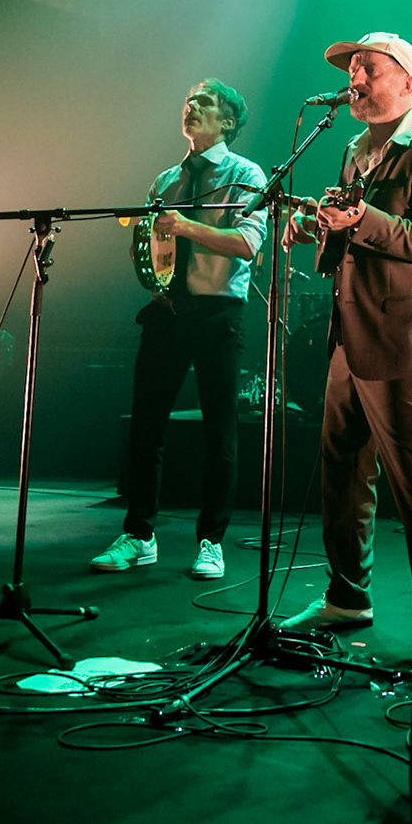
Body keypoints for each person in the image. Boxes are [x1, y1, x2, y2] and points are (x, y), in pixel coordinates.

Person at [280, 32, 412, 666]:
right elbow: (343, 247)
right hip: (348, 337)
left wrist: (361, 221)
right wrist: (315, 227)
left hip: (400, 343)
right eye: (351, 68)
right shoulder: (353, 151)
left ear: (407, 81)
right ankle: (347, 595)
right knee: (341, 472)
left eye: (368, 67)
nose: (354, 78)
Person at [91, 80, 266, 580]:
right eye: (189, 103)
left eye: (205, 104)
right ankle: (139, 534)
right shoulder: (166, 178)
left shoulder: (245, 174)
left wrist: (185, 228)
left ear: (228, 120)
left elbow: (248, 243)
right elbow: (145, 242)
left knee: (220, 434)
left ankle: (211, 540)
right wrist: (150, 275)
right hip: (168, 313)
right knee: (146, 427)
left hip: (216, 314)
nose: (191, 108)